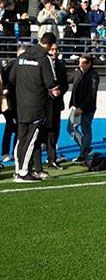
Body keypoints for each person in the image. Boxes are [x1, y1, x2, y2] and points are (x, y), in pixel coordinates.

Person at [13, 32, 60, 182]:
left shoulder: (22, 57)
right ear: (50, 44)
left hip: (20, 104)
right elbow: (50, 82)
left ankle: (17, 169)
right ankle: (24, 172)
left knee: (21, 138)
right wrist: (54, 89)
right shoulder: (43, 58)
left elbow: (11, 77)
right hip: (37, 105)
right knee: (31, 139)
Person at [68, 54, 100, 161]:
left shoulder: (93, 76)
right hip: (75, 106)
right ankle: (85, 148)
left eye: (83, 63)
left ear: (89, 64)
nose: (80, 65)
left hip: (87, 108)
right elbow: (68, 79)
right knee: (70, 128)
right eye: (79, 62)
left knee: (86, 129)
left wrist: (82, 108)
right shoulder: (78, 72)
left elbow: (92, 94)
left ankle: (84, 152)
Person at [44, 44, 68, 169]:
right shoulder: (42, 63)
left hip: (56, 104)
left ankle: (52, 158)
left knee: (55, 130)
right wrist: (48, 91)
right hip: (44, 104)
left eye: (56, 49)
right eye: (52, 49)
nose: (55, 52)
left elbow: (65, 83)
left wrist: (60, 91)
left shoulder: (60, 64)